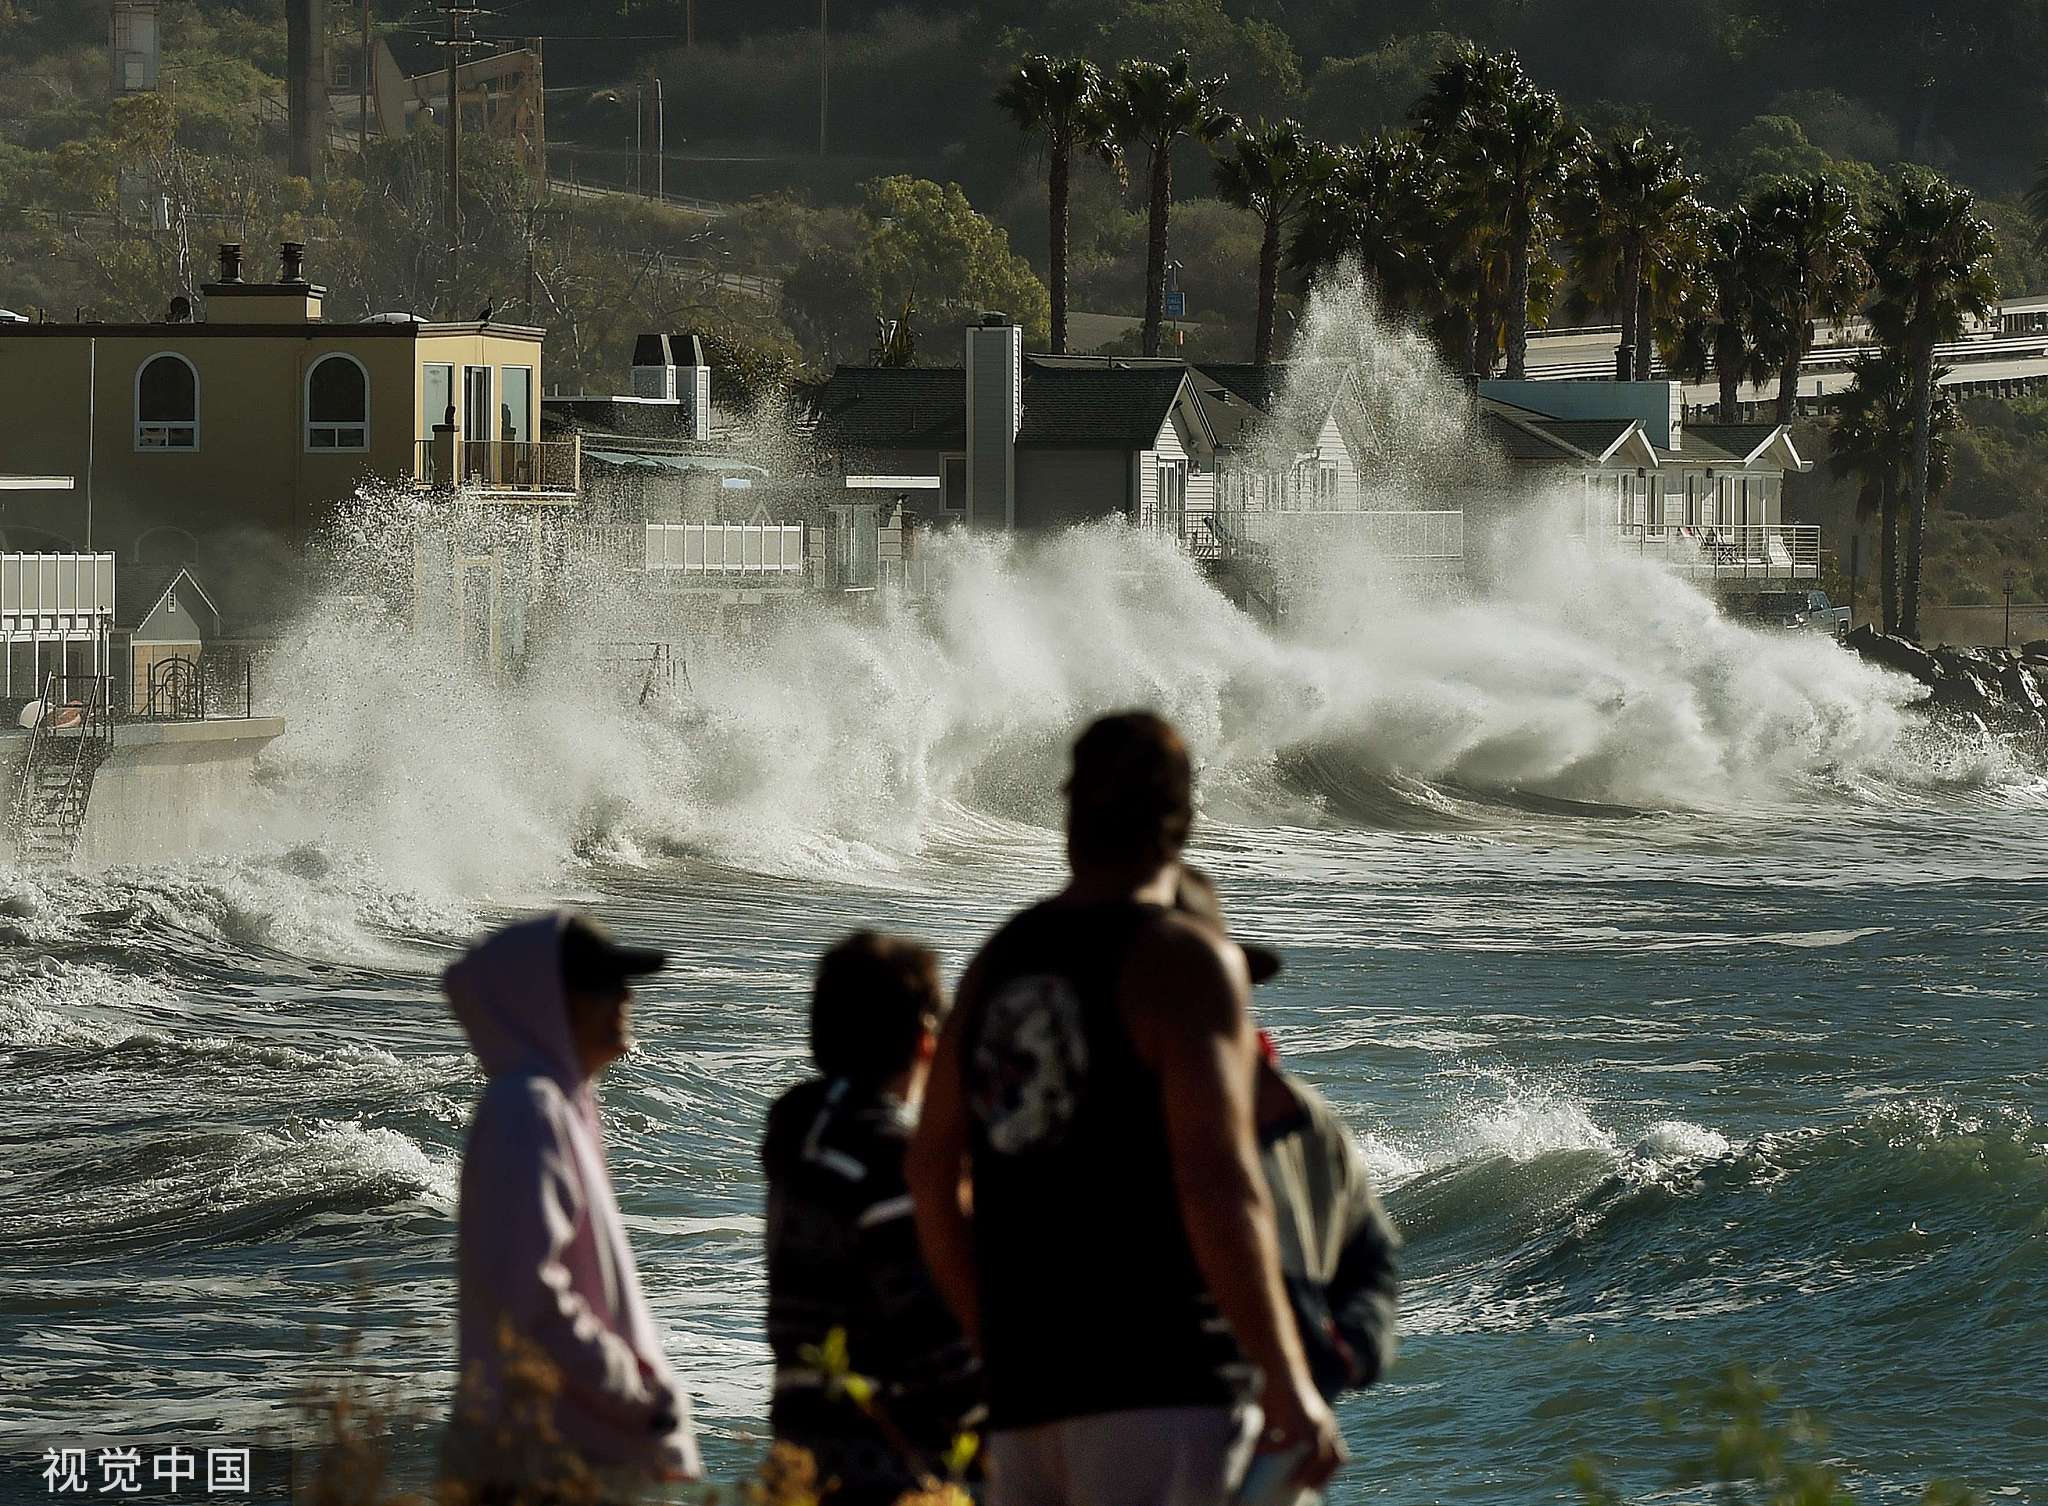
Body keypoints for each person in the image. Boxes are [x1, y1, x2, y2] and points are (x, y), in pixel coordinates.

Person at [907, 711, 1344, 1506]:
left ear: (1071, 813)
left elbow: (931, 1173)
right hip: (1163, 1384)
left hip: (1027, 1406)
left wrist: (992, 1336)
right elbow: (1215, 1175)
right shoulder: (1182, 959)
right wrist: (1287, 1380)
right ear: (1179, 820)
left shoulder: (998, 962)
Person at [441, 911, 700, 1501]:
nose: (626, 997)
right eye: (604, 985)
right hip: (550, 1456)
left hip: (565, 1443)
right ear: (548, 1003)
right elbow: (527, 1296)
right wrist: (632, 1392)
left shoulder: (553, 1101)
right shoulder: (528, 1108)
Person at [763, 932, 982, 1502]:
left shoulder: (802, 1136)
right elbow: (927, 1329)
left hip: (803, 1431)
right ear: (925, 1041)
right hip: (886, 1455)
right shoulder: (885, 1158)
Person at [1174, 867, 1401, 1402]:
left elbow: (1371, 1257)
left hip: (1268, 1441)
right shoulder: (1084, 1110)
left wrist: (1340, 1358)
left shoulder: (1302, 1116)